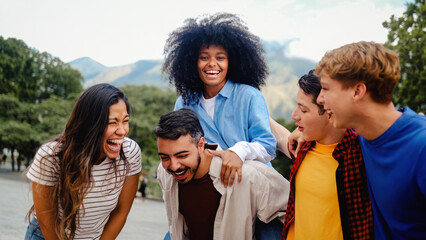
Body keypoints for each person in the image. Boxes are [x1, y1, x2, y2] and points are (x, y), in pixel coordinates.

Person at [315, 41, 426, 239]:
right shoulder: (364, 138)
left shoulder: (421, 147)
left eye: (325, 88)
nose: (320, 99)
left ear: (357, 91)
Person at [162, 12, 280, 187]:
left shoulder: (249, 96)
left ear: (231, 62)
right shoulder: (184, 103)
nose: (212, 63)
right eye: (204, 57)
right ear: (191, 62)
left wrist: (238, 152)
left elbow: (268, 146)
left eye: (220, 58)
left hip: (251, 184)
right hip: (208, 186)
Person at [25, 83, 142, 240]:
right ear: (90, 124)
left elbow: (121, 211)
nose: (122, 131)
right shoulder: (51, 157)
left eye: (125, 120)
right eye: (112, 122)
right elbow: (46, 215)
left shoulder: (130, 152)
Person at [155, 108, 290, 240]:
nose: (173, 166)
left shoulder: (248, 175)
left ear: (201, 144)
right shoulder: (165, 172)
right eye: (164, 157)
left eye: (182, 155)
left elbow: (295, 209)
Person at [274, 70, 373, 239]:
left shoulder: (360, 154)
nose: (294, 116)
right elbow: (279, 134)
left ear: (329, 112)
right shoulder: (303, 147)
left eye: (303, 110)